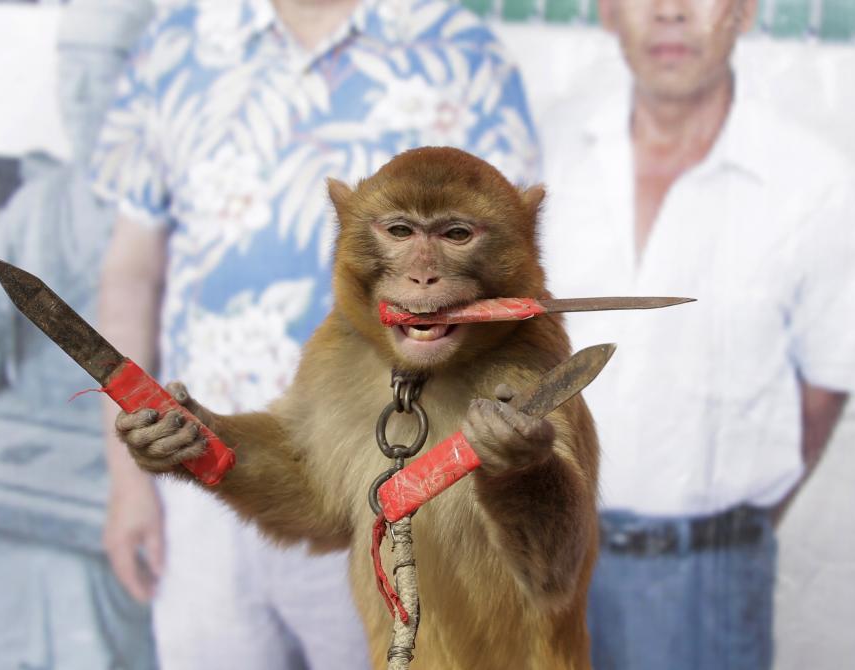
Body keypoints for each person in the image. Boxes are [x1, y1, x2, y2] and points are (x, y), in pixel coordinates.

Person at [90, 0, 539, 667]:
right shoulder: (178, 42)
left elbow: (512, 283)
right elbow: (132, 274)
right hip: (202, 490)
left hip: (393, 494)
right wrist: (127, 482)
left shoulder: (461, 52)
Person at [540, 1, 855, 668]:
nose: (671, 12)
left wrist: (724, 531)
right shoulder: (547, 157)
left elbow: (827, 382)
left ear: (746, 12)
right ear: (609, 13)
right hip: (538, 563)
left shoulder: (812, 185)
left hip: (705, 580)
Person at [0, 1, 157, 668]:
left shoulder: (163, 205)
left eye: (100, 73)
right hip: (27, 425)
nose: (79, 94)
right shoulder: (37, 203)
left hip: (127, 439)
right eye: (69, 74)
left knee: (83, 569)